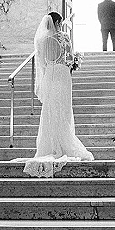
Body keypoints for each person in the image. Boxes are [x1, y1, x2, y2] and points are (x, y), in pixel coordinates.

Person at [22, 11, 94, 178]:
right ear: (56, 23)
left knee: (50, 108)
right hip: (62, 74)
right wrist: (73, 63)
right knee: (63, 109)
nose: (60, 25)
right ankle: (65, 142)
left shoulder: (41, 40)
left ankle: (49, 146)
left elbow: (42, 64)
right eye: (59, 23)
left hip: (50, 74)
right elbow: (69, 57)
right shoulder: (63, 37)